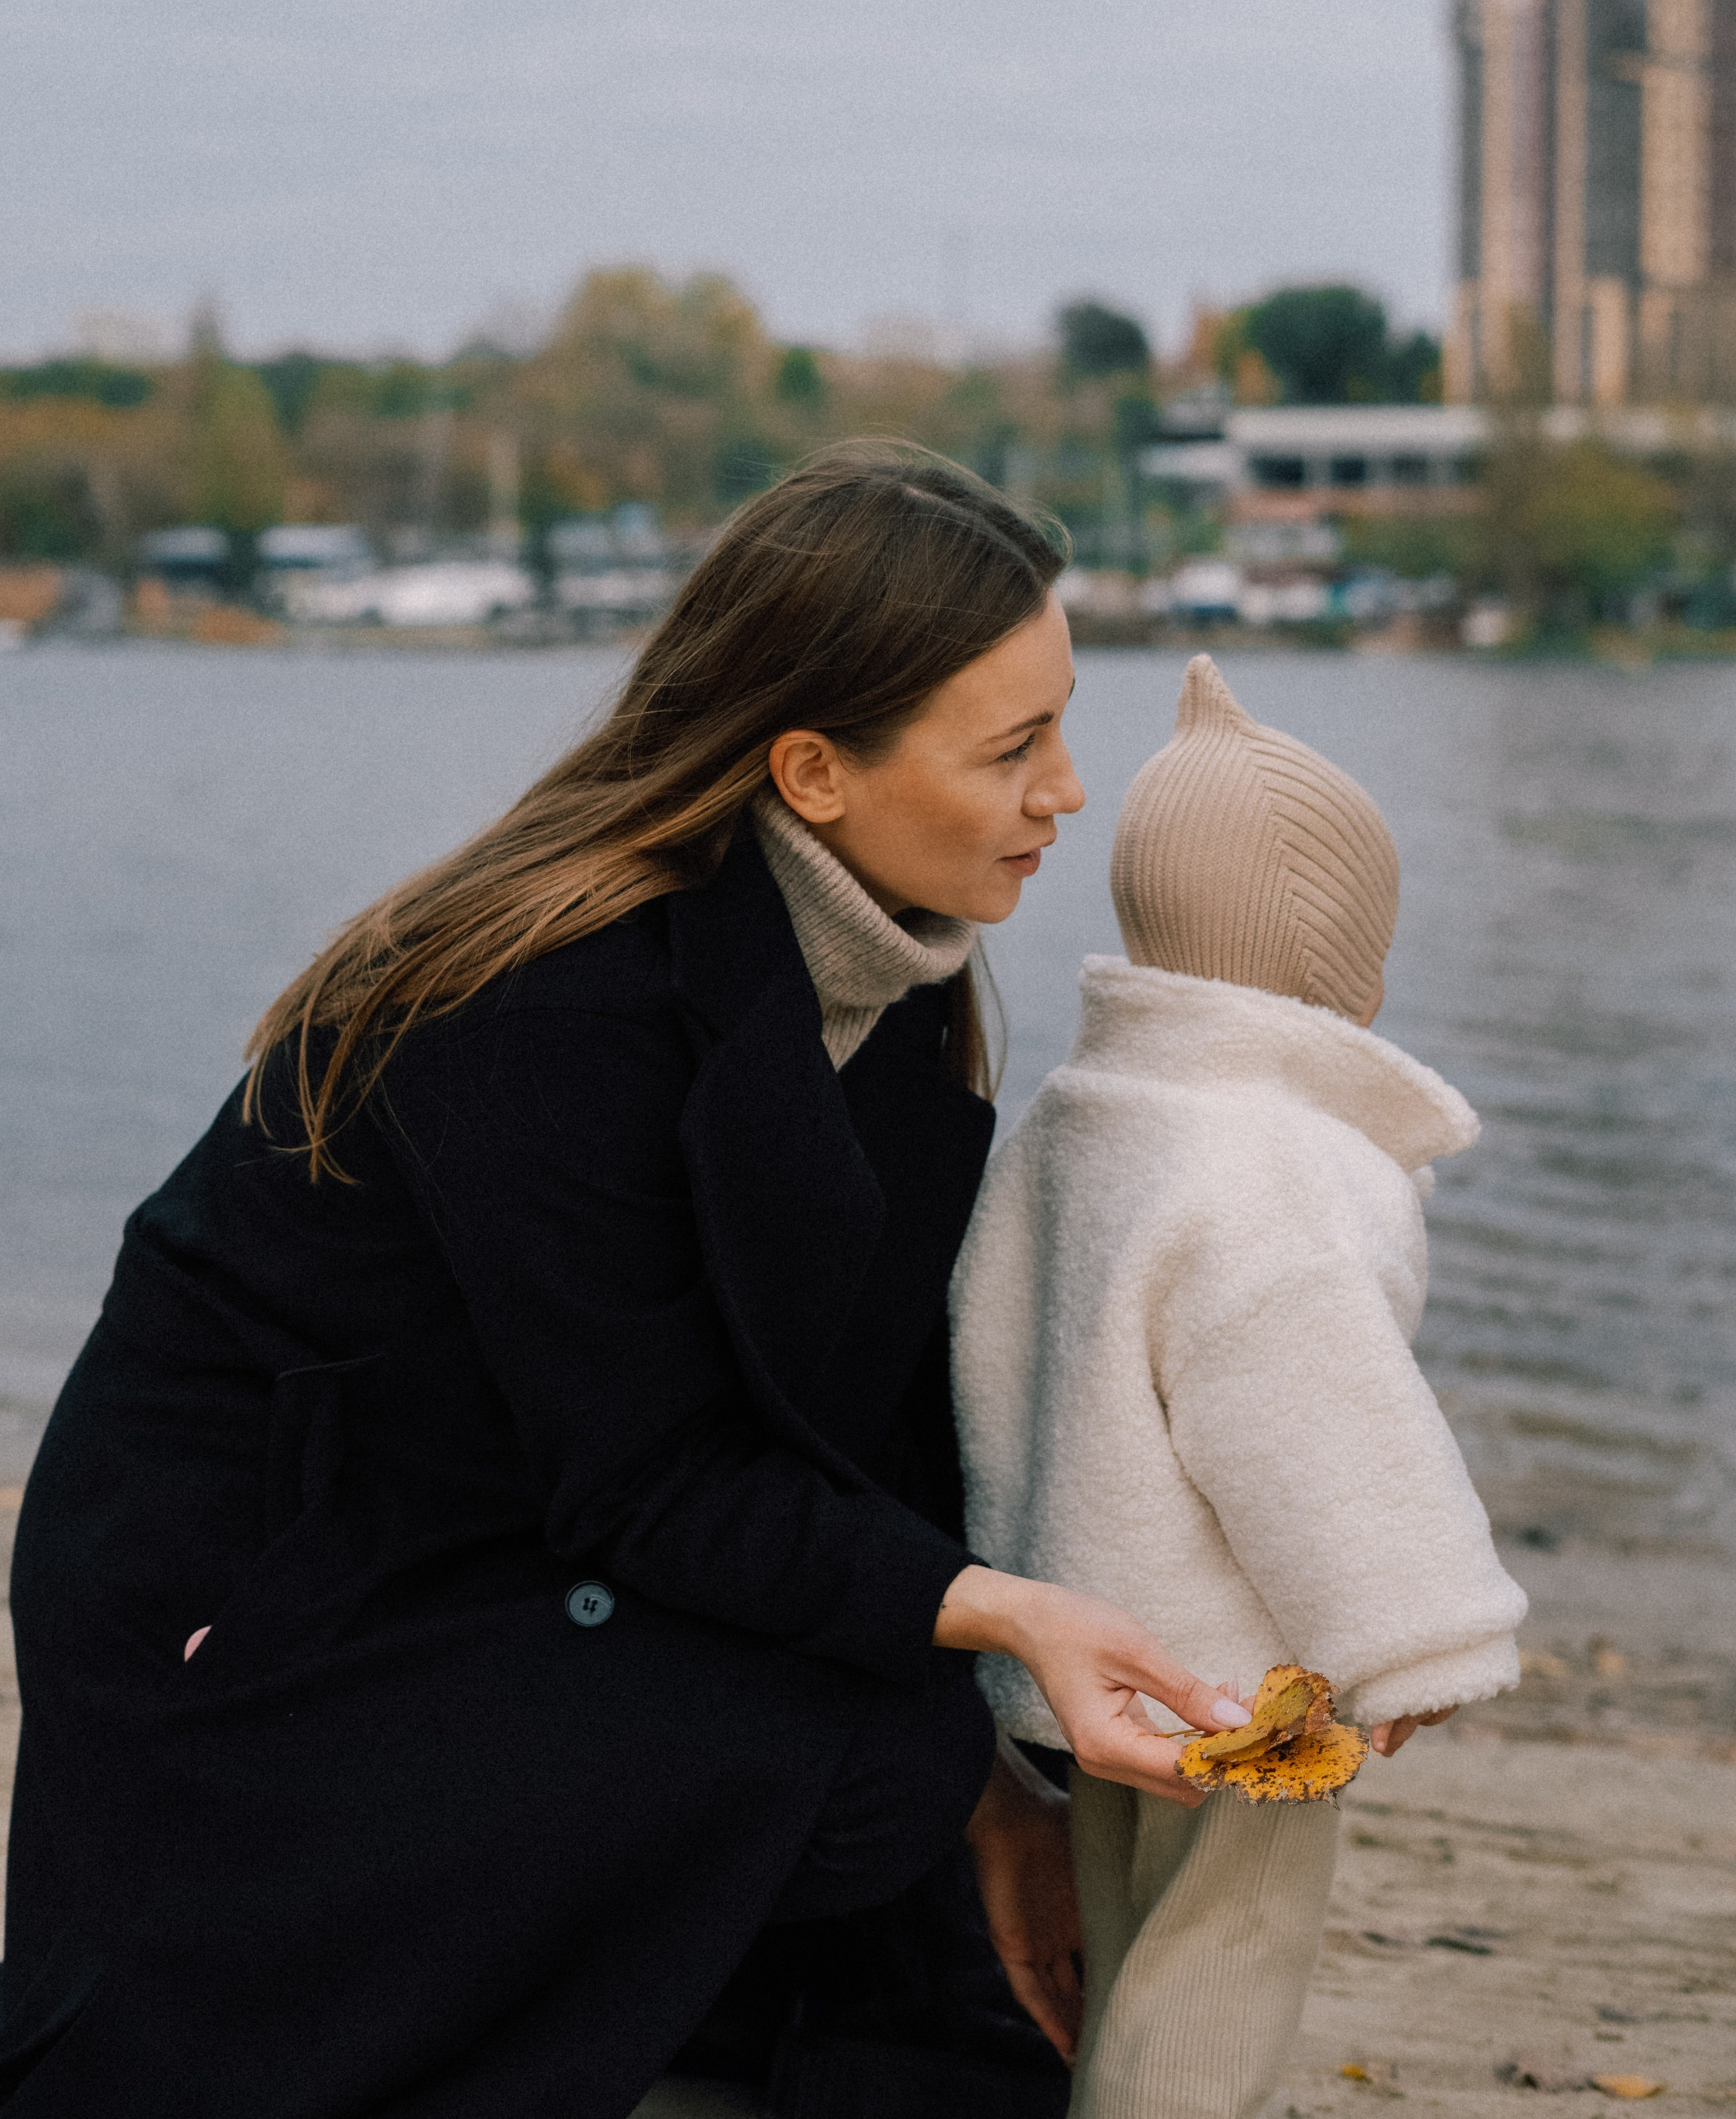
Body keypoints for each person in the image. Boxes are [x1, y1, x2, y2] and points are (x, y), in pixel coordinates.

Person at [1, 447, 1250, 2119]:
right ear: (810, 770)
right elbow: (655, 1479)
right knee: (836, 1755)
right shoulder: (541, 1006)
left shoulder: (879, 985)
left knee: (906, 1768)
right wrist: (1009, 1618)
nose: (1066, 791)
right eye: (1012, 746)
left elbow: (843, 1423)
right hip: (267, 1592)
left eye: (1060, 724)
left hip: (507, 1506)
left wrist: (1001, 1791)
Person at [951, 654, 1528, 2119]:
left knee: (1127, 1936)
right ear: (1337, 951)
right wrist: (1412, 1636)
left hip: (1095, 1654)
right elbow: (1314, 1421)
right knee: (1225, 1953)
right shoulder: (1266, 1161)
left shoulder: (1085, 1121)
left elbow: (991, 1343)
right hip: (1246, 1676)